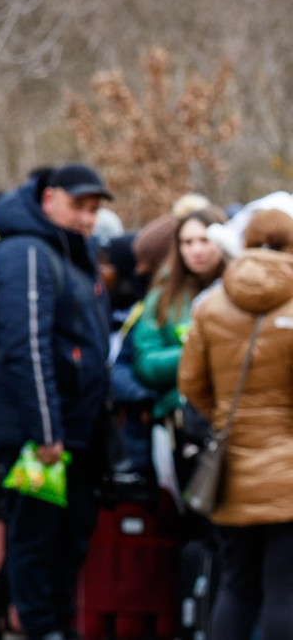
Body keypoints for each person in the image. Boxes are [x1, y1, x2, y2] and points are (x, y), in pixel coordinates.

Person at [0, 164, 112, 640]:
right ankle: (42, 629)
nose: (88, 219)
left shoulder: (68, 250)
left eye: (94, 210)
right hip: (39, 434)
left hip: (70, 430)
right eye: (79, 206)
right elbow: (25, 345)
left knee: (56, 539)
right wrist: (47, 431)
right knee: (38, 541)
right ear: (49, 197)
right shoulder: (27, 252)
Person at [178, 209, 293, 640]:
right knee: (285, 588)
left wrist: (226, 417)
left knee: (237, 585)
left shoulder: (210, 306)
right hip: (288, 475)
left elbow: (190, 384)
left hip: (230, 471)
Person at [132, 208, 227, 422]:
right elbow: (145, 364)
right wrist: (196, 350)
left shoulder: (243, 291)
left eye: (205, 240)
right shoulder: (162, 296)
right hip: (181, 414)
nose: (196, 250)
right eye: (187, 242)